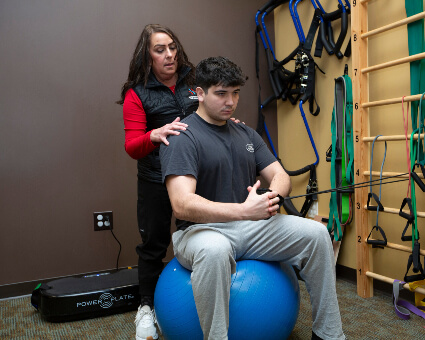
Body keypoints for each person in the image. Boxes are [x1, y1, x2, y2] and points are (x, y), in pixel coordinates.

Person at [160, 56, 346, 340]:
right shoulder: (184, 137)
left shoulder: (245, 132)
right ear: (200, 93)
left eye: (235, 93)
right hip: (199, 232)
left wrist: (271, 198)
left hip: (249, 227)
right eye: (221, 93)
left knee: (318, 235)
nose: (231, 101)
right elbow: (182, 204)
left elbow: (281, 176)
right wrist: (244, 211)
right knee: (214, 250)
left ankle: (328, 334)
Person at [117, 24, 199, 340]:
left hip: (195, 177)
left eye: (172, 47)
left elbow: (211, 120)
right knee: (153, 247)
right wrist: (154, 134)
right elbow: (132, 146)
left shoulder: (194, 82)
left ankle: (198, 303)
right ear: (147, 56)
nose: (169, 55)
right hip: (155, 179)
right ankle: (146, 310)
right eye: (160, 49)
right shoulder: (137, 94)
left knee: (200, 236)